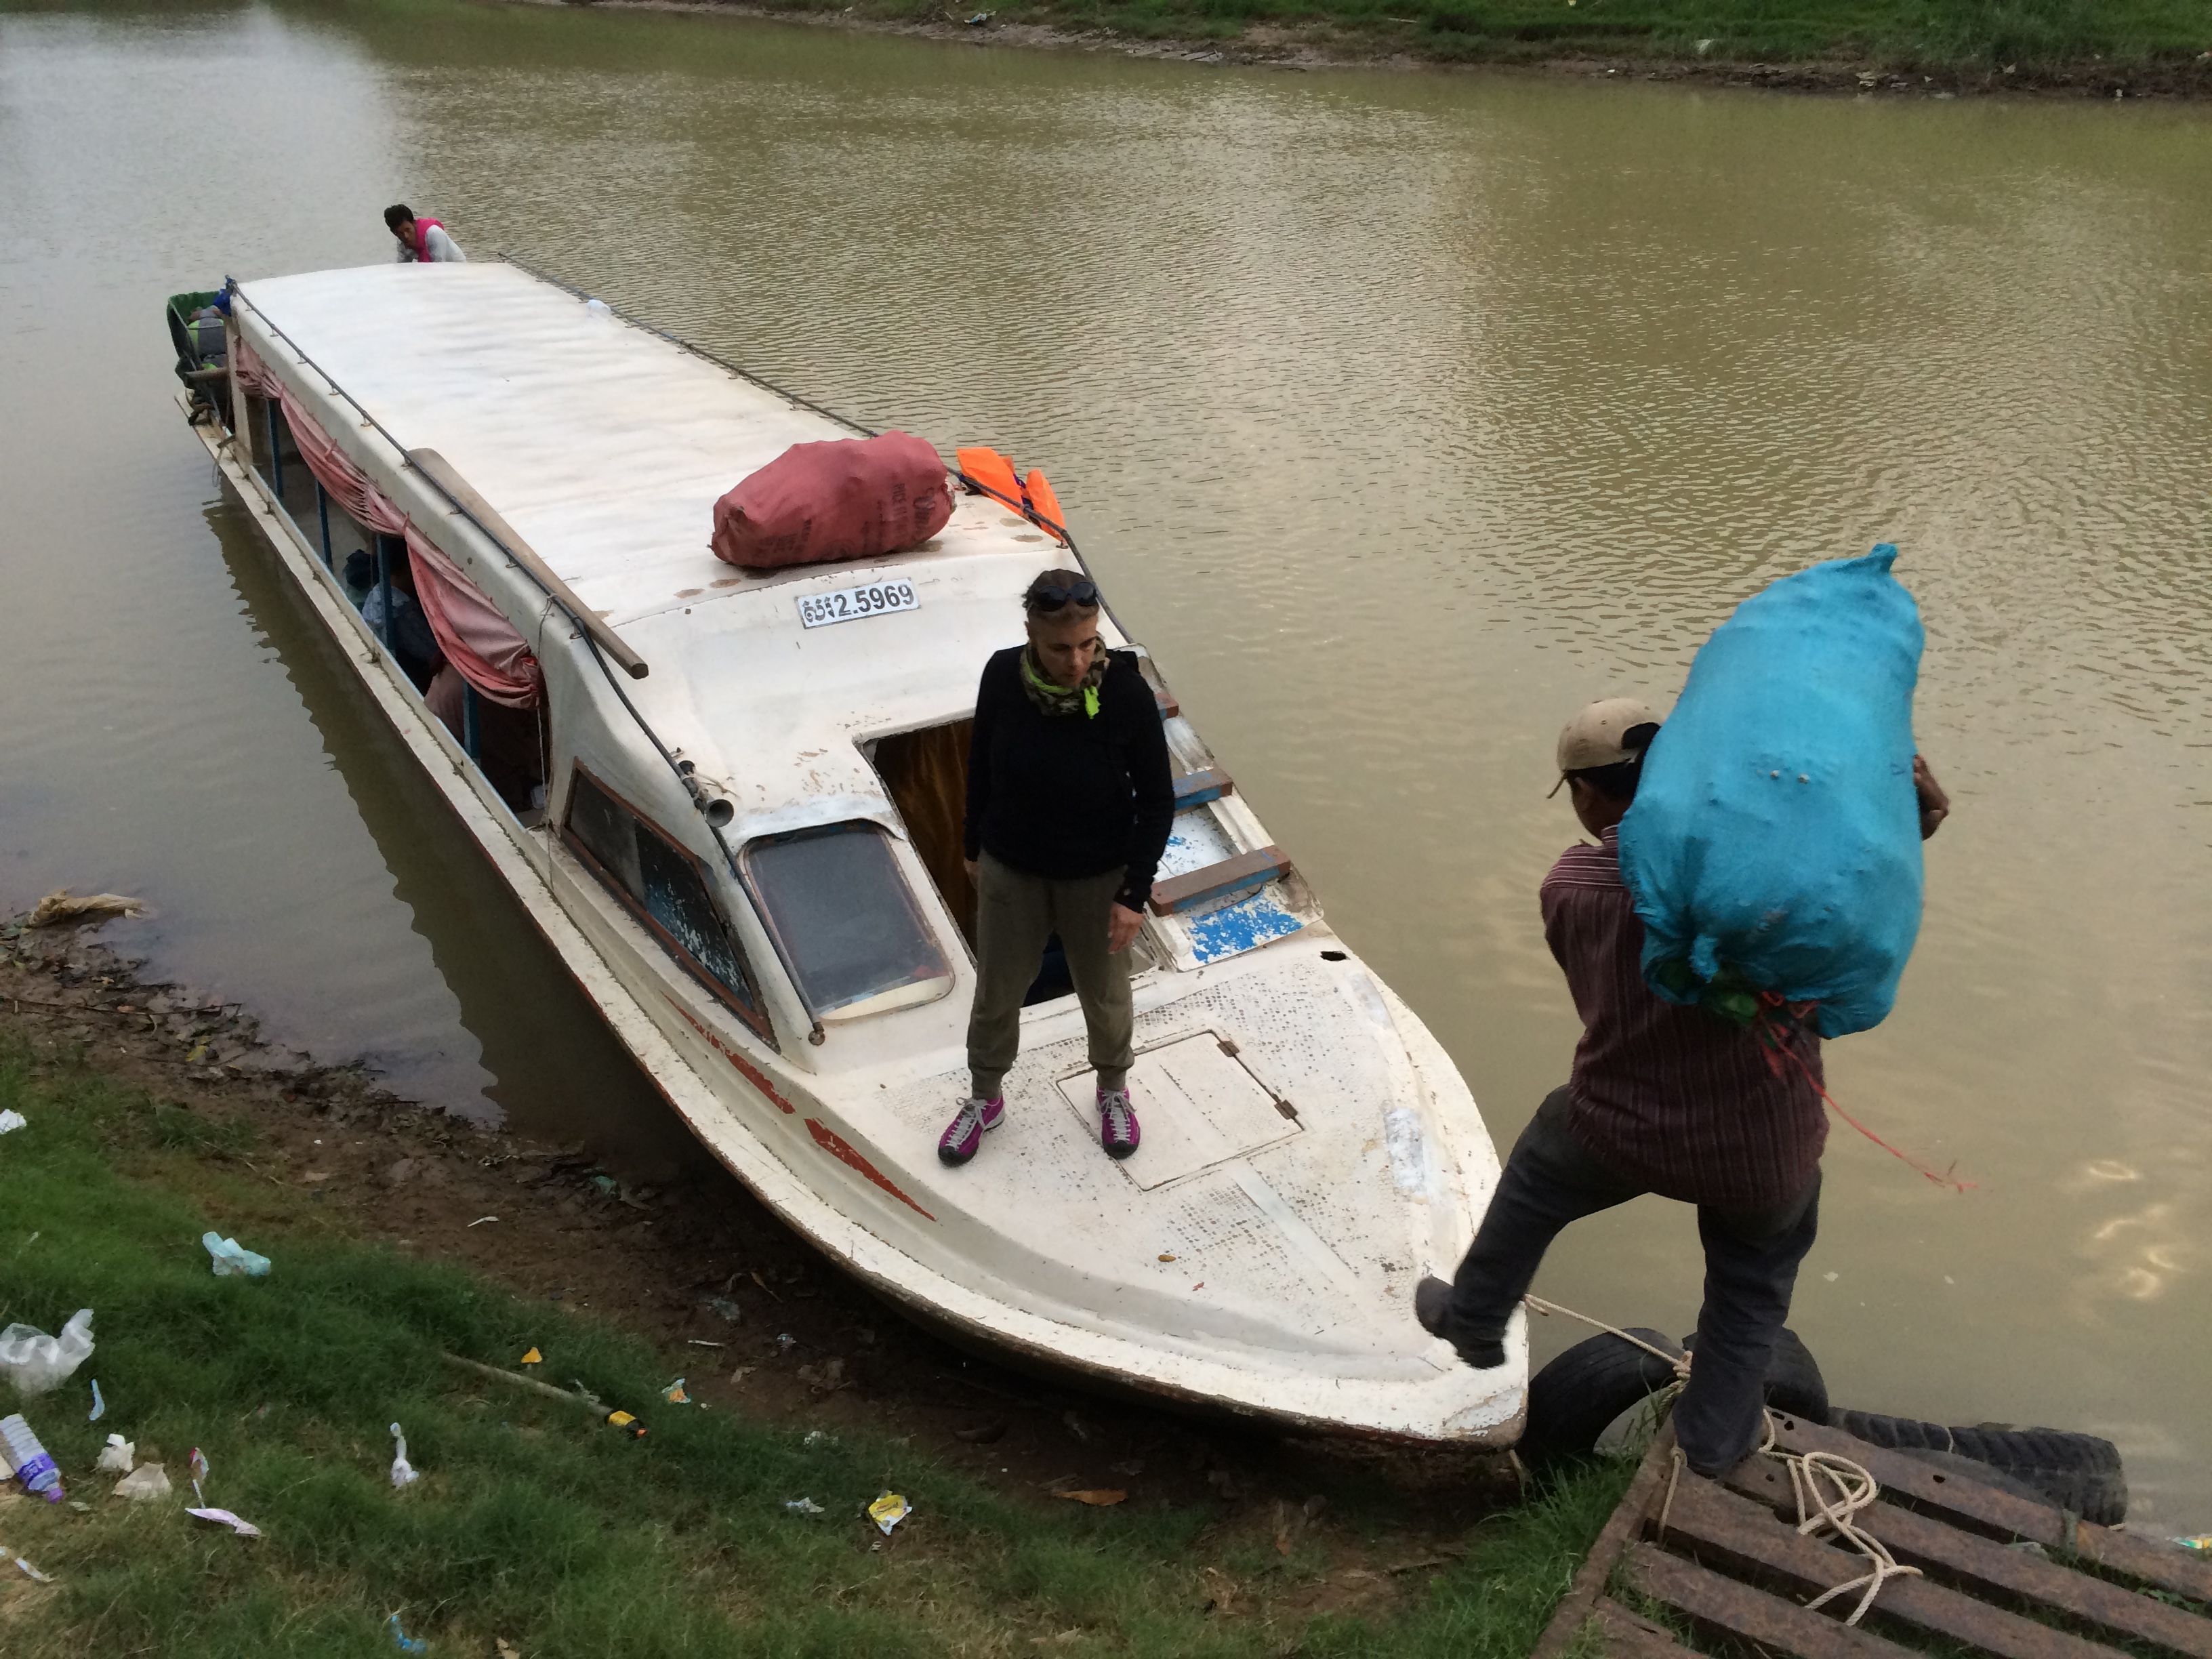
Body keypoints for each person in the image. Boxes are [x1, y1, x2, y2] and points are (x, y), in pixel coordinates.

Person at [1416, 698, 1949, 1477]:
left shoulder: (1571, 886)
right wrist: (1916, 817)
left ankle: (1473, 1317)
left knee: (1540, 1168)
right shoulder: (1775, 881)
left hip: (1617, 1128)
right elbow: (1862, 878)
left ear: (1586, 796)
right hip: (1764, 1150)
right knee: (1751, 1283)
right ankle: (1716, 1443)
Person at [942, 569, 1174, 1167]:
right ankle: (985, 1098)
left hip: (1098, 877)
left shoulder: (1126, 693)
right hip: (1012, 869)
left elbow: (1157, 801)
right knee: (997, 994)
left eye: (1087, 645)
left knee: (1106, 994)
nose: (1076, 662)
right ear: (1031, 635)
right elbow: (981, 765)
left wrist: (1134, 893)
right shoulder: (1001, 675)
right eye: (1059, 648)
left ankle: (1113, 1090)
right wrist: (972, 848)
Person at [384, 204, 466, 264]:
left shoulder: (434, 233)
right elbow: (402, 269)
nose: (406, 236)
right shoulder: (402, 244)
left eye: (408, 230)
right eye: (400, 233)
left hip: (458, 271)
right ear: (394, 233)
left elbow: (439, 266)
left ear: (414, 223)